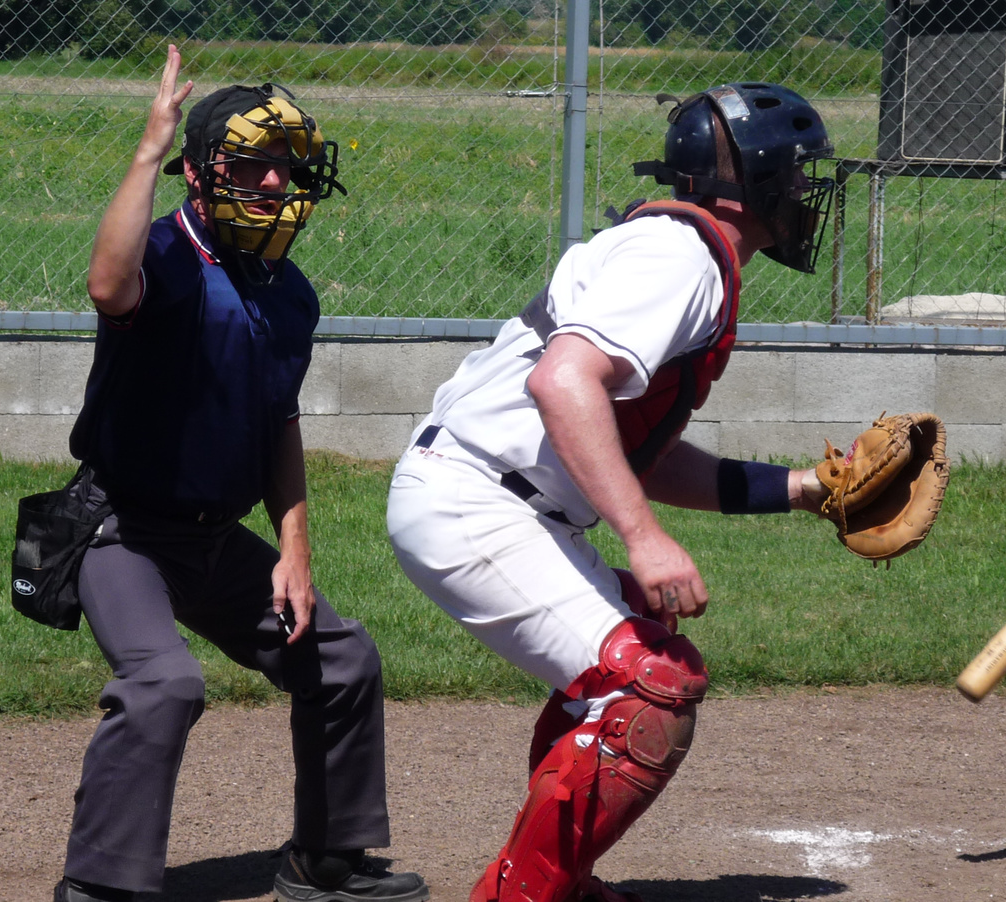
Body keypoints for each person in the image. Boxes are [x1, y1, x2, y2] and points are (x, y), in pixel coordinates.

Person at [386, 83, 842, 902]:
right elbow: (565, 386)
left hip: (487, 495)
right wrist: (642, 535)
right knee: (647, 687)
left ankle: (553, 876)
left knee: (639, 641)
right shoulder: (681, 259)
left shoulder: (678, 252)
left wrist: (804, 489)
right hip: (475, 501)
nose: (809, 193)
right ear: (757, 178)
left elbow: (635, 452)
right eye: (801, 174)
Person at [54, 44, 428, 902]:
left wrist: (294, 552)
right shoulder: (168, 257)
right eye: (252, 166)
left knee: (341, 657)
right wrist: (147, 149)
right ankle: (99, 887)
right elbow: (108, 286)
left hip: (216, 541)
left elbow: (279, 423)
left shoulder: (288, 291)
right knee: (164, 682)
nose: (274, 184)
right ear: (198, 174)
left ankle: (324, 859)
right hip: (125, 533)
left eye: (287, 168)